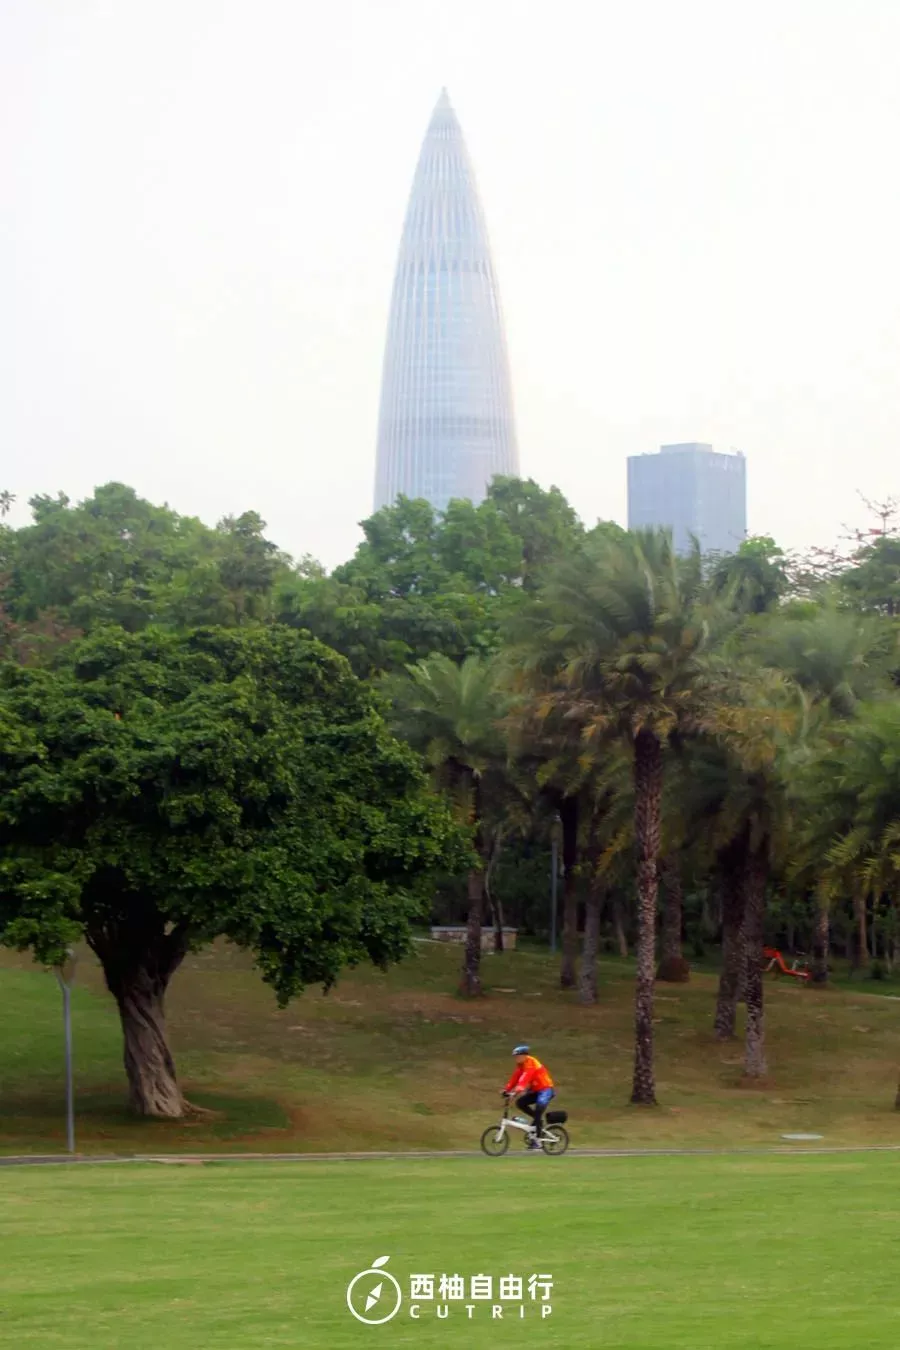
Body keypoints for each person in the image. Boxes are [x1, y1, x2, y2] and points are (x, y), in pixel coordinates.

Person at [503, 1044, 555, 1150]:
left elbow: (525, 1078)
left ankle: (538, 1141)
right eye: (515, 1056)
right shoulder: (521, 1066)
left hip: (546, 1090)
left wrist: (517, 1090)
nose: (516, 1058)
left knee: (539, 1108)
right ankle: (537, 1121)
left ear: (524, 1056)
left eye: (517, 1056)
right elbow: (515, 1077)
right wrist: (506, 1090)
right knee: (521, 1103)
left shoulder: (531, 1064)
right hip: (536, 1090)